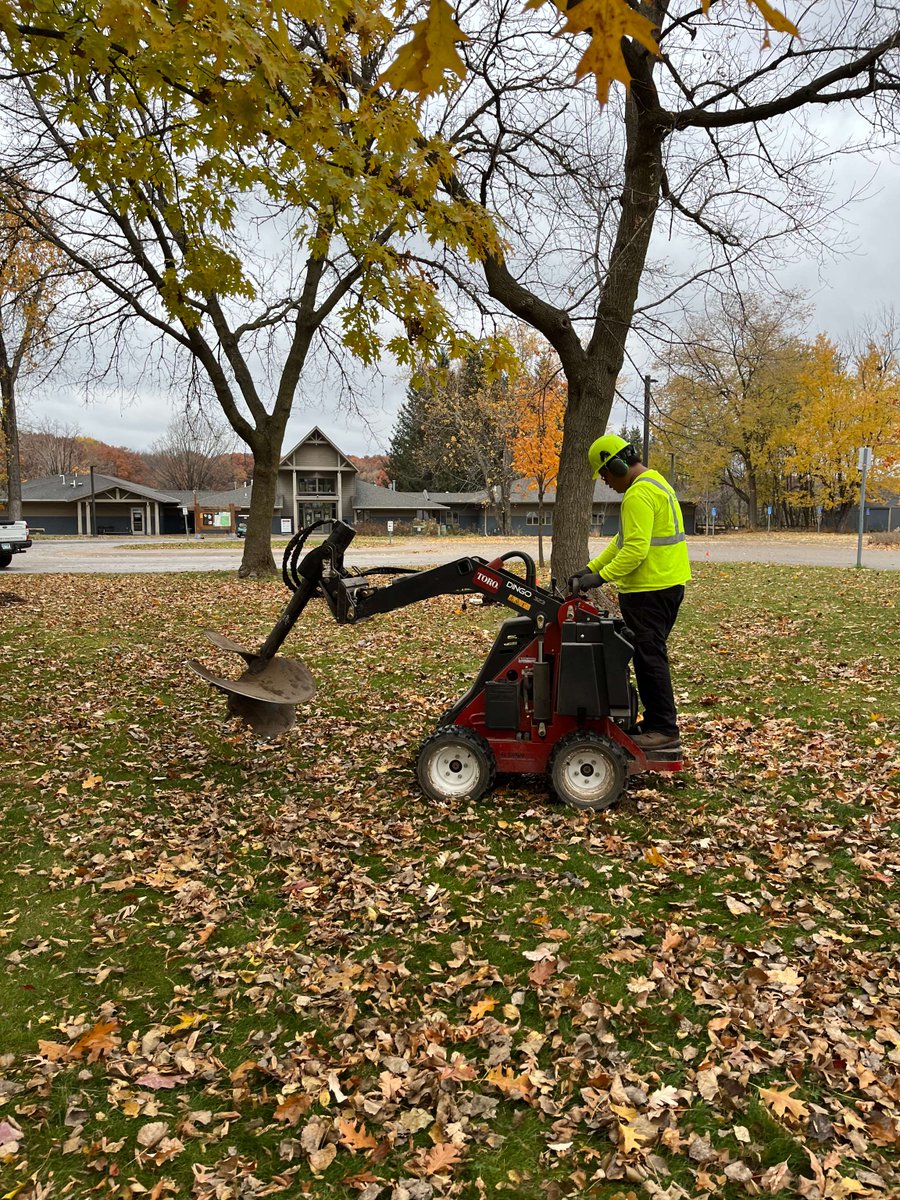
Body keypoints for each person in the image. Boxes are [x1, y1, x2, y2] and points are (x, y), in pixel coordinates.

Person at [571, 434, 691, 751]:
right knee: (646, 656)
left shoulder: (638, 495)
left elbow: (635, 551)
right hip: (666, 585)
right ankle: (654, 722)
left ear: (618, 463)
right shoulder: (655, 483)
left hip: (650, 590)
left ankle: (664, 728)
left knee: (650, 658)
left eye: (606, 474)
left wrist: (600, 578)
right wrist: (591, 568)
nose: (606, 482)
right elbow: (623, 541)